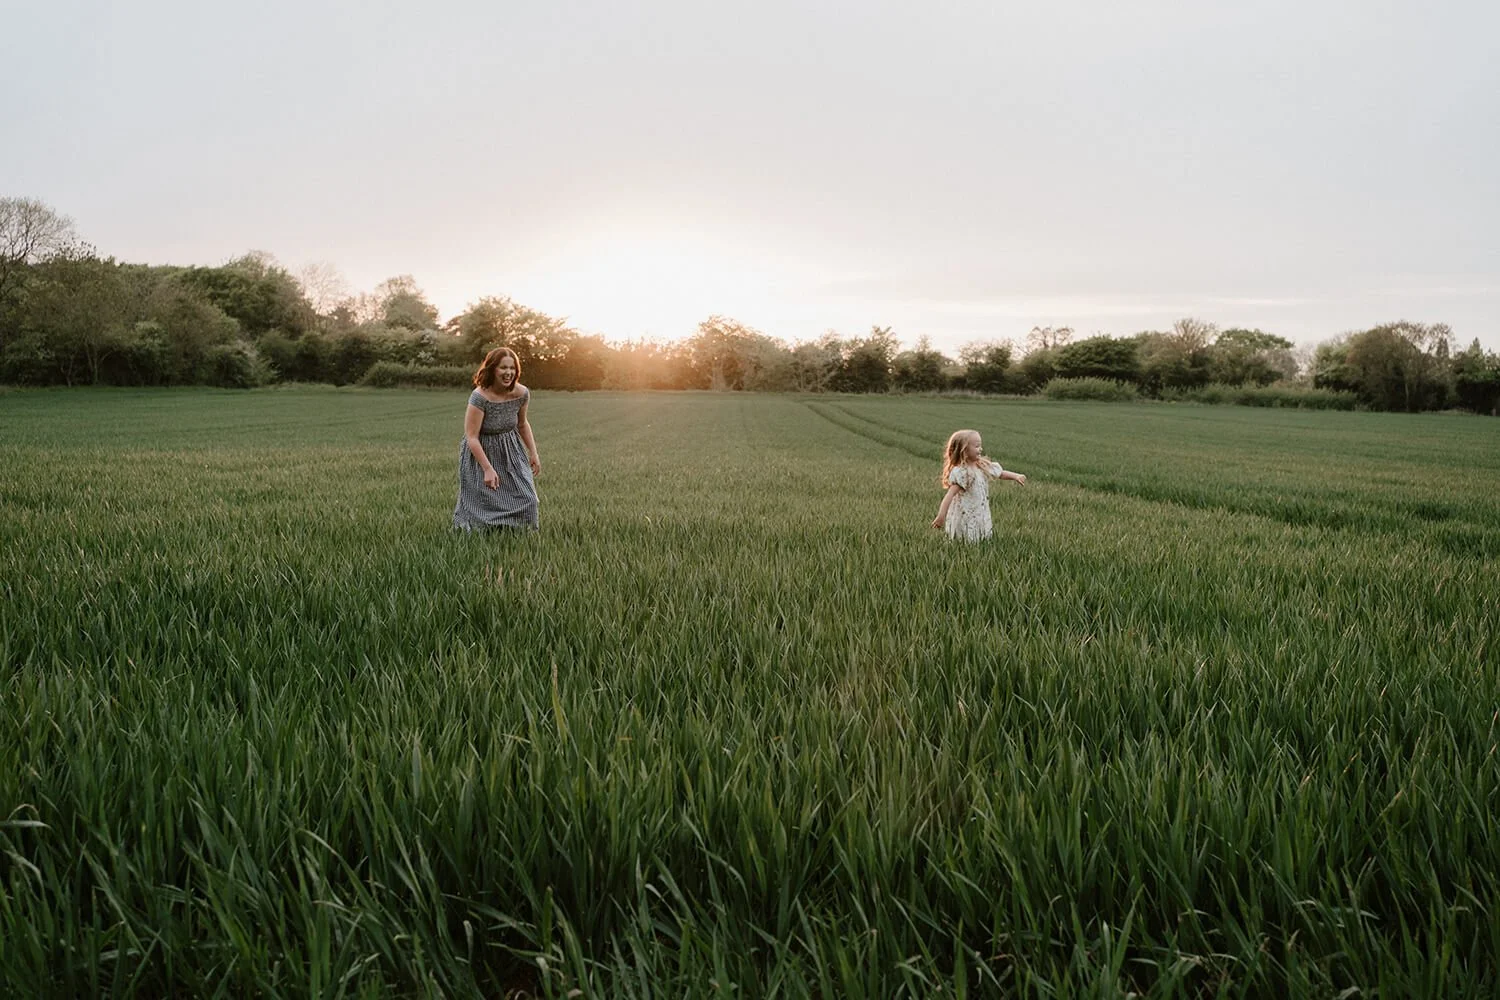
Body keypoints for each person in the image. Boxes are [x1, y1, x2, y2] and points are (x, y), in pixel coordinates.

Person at [453, 347, 541, 531]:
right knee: (481, 502)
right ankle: (484, 534)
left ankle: (519, 533)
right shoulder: (479, 397)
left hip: (511, 449)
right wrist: (487, 468)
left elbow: (522, 424)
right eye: (503, 367)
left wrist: (533, 452)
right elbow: (471, 436)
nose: (509, 373)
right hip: (481, 451)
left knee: (528, 499)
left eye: (512, 368)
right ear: (493, 369)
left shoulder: (521, 393)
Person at [931, 428, 1026, 541]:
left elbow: (1000, 473)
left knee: (980, 535)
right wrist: (941, 516)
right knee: (966, 537)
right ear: (964, 450)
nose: (980, 449)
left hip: (980, 510)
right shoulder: (963, 473)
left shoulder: (981, 465)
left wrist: (1016, 476)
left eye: (980, 445)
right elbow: (949, 495)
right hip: (966, 512)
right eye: (976, 446)